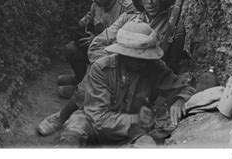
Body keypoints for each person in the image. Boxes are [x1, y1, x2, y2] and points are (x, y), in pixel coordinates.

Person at [58, 21, 195, 147]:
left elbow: (184, 87)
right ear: (122, 54)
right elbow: (98, 118)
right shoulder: (101, 68)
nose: (142, 62)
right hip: (93, 125)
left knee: (147, 146)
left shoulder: (153, 66)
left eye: (145, 57)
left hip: (131, 133)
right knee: (73, 132)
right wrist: (138, 119)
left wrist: (179, 100)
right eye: (136, 57)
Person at [37, 0, 133, 136]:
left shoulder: (127, 7)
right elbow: (93, 18)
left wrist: (97, 42)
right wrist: (86, 26)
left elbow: (129, 40)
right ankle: (80, 81)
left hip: (118, 57)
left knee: (96, 74)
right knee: (71, 49)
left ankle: (63, 115)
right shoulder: (96, 3)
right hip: (97, 50)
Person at [88, 0, 185, 72]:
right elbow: (96, 45)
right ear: (139, 0)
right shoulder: (128, 18)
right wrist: (117, 63)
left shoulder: (173, 22)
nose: (149, 1)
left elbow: (173, 64)